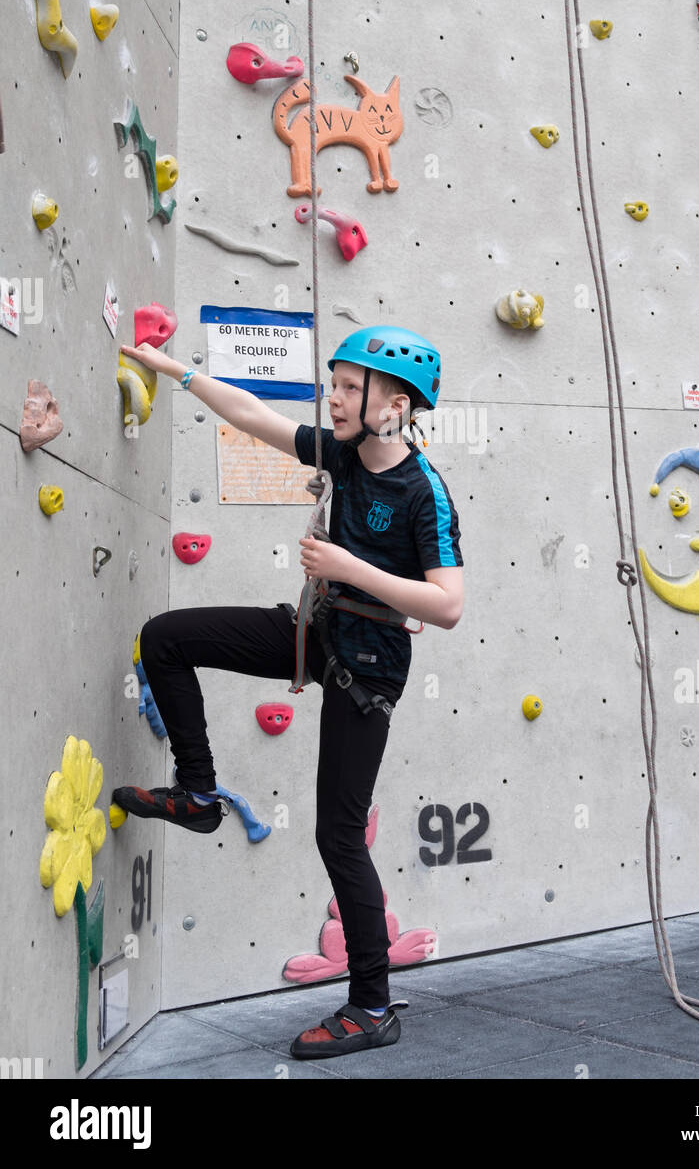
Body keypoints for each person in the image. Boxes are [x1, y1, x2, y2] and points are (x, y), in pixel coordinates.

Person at [111, 325, 464, 1060]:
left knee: (338, 835)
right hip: (318, 628)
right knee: (166, 637)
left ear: (394, 403)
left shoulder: (424, 492)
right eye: (330, 383)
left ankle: (370, 1006)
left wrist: (347, 564)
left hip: (368, 667)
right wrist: (176, 370)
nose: (329, 397)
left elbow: (448, 605)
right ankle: (199, 793)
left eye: (346, 386)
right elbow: (251, 416)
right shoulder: (340, 452)